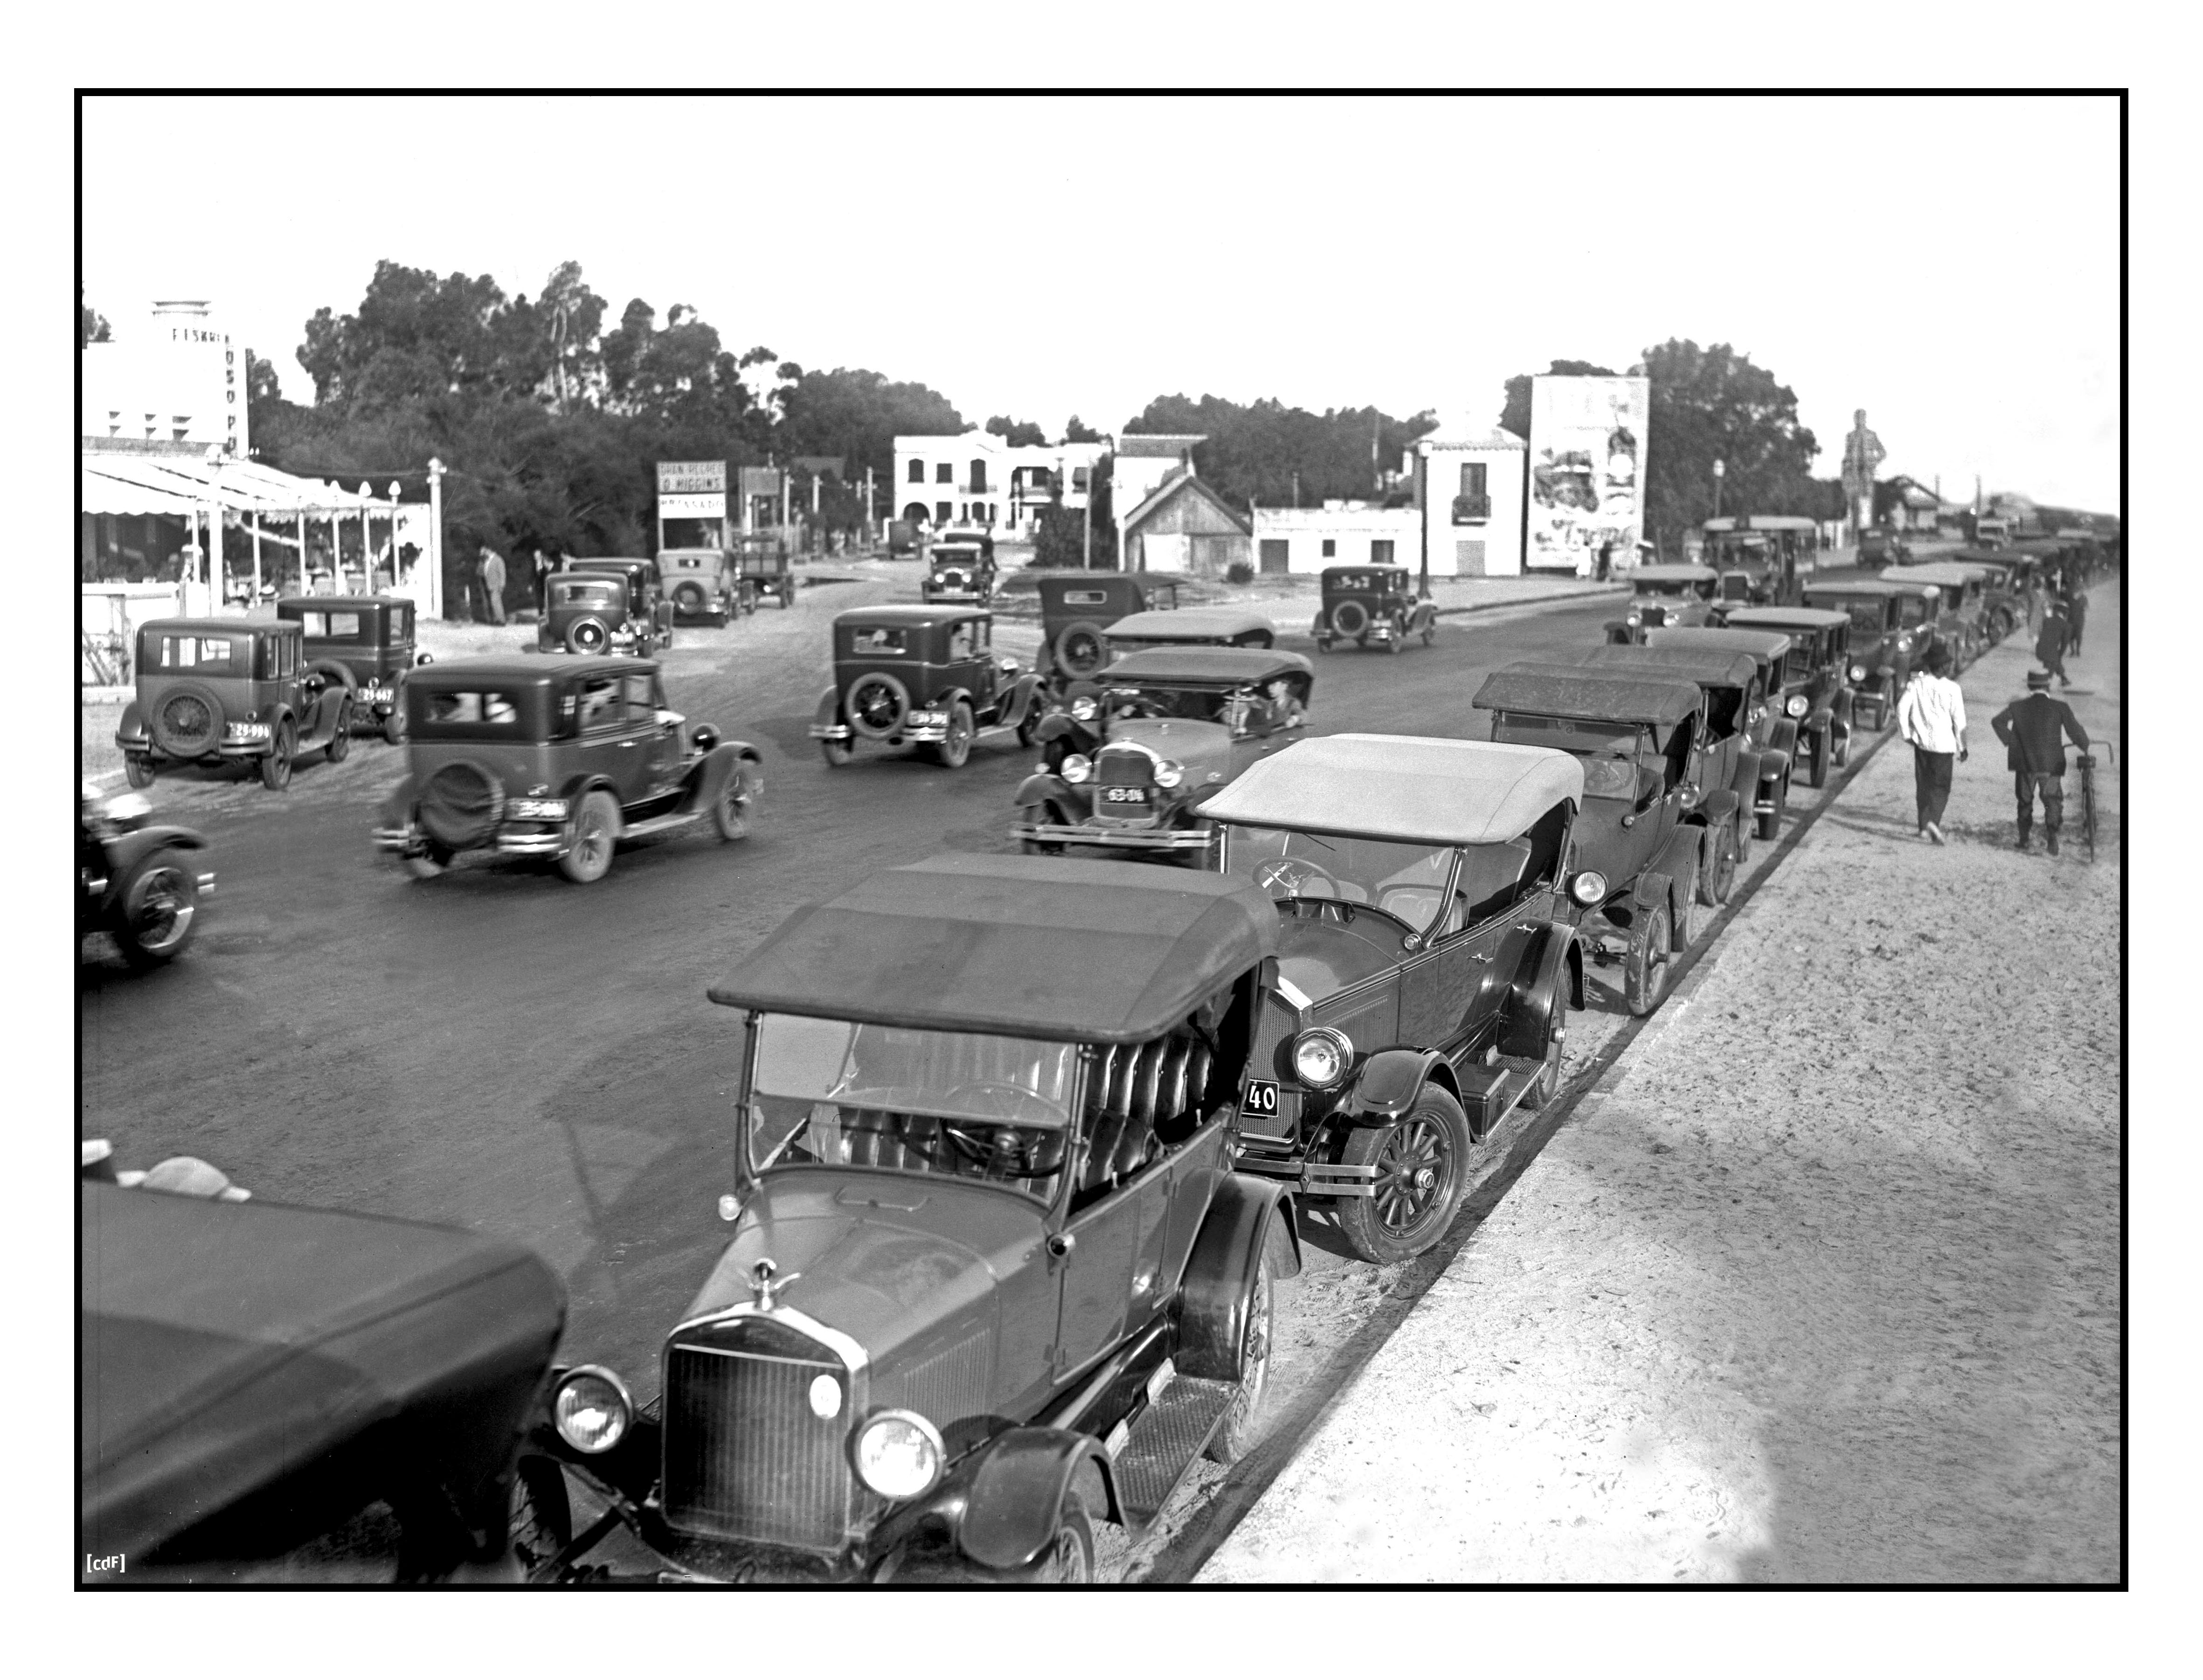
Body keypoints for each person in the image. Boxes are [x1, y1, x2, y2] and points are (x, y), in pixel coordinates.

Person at [1990, 669, 2089, 856]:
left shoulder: (2017, 707)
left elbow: (1997, 722)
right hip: (2051, 765)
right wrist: (2085, 745)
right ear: (2048, 687)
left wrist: (2012, 741)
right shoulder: (2060, 707)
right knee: (2052, 800)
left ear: (2029, 687)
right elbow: (2074, 731)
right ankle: (2052, 835)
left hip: (2025, 763)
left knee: (2025, 801)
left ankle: (2024, 839)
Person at [1896, 642, 1967, 844]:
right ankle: (1934, 822)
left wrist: (1907, 734)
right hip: (1944, 747)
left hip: (1922, 745)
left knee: (1924, 785)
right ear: (1943, 667)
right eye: (1948, 664)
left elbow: (1901, 710)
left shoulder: (1916, 685)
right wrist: (1963, 748)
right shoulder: (1953, 689)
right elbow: (1959, 721)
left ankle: (1923, 826)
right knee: (1941, 786)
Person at [2034, 597, 2071, 687]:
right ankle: (2046, 684)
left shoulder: (2047, 621)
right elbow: (2064, 644)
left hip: (2039, 650)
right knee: (2054, 660)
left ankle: (2063, 678)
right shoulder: (2065, 626)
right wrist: (2060, 655)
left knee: (2053, 656)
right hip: (2050, 654)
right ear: (2065, 613)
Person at [477, 543, 507, 625]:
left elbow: (502, 573)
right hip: (490, 585)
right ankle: (498, 619)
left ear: (489, 551)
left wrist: (502, 584)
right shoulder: (488, 560)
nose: (485, 553)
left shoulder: (498, 559)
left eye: (486, 551)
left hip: (496, 585)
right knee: (495, 603)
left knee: (496, 602)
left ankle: (501, 621)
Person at [2064, 586, 2088, 656]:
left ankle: (2078, 651)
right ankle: (2072, 651)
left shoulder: (2083, 599)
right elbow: (2066, 608)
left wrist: (2083, 607)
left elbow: (2087, 608)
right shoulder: (2069, 599)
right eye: (2073, 593)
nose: (2074, 595)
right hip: (2070, 620)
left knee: (2079, 636)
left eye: (2076, 593)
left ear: (2079, 593)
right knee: (2070, 636)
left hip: (2080, 621)